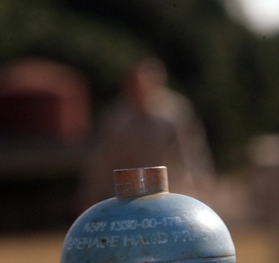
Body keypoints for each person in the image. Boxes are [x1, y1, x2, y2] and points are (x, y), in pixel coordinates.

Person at [77, 58, 214, 208]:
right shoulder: (115, 118)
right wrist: (91, 192)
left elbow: (191, 153)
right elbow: (102, 159)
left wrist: (200, 186)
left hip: (170, 191)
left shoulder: (175, 113)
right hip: (127, 193)